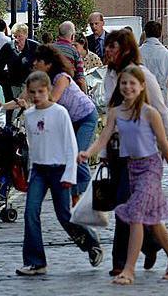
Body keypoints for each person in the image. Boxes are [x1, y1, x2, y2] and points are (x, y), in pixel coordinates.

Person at [80, 65, 168, 284]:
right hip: (132, 169)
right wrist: (88, 152)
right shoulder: (116, 112)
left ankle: (128, 269)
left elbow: (163, 143)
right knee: (154, 220)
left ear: (141, 87)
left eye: (132, 83)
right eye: (124, 83)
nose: (127, 87)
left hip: (151, 168)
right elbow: (104, 138)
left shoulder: (150, 112)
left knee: (136, 215)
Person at [100, 29, 168, 277]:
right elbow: (110, 115)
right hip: (118, 150)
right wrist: (102, 151)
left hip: (142, 155)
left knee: (127, 204)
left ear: (124, 50)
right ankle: (150, 244)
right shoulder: (110, 75)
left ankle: (122, 262)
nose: (107, 51)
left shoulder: (142, 75)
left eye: (112, 47)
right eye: (107, 47)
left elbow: (162, 111)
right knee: (126, 205)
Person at [14, 71, 102, 276]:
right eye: (33, 92)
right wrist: (29, 174)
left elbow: (71, 145)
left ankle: (91, 243)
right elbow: (33, 146)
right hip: (38, 170)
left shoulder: (60, 113)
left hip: (59, 169)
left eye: (41, 91)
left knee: (63, 215)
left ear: (48, 91)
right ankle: (36, 262)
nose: (37, 96)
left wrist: (70, 175)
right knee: (30, 213)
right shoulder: (28, 115)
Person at [5, 45, 98, 198]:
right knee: (69, 156)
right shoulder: (41, 81)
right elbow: (22, 98)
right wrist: (2, 107)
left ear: (48, 64)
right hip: (71, 119)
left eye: (38, 61)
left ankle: (86, 195)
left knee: (78, 156)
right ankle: (76, 195)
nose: (34, 63)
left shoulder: (61, 78)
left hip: (86, 117)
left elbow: (51, 100)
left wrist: (29, 106)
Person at [0, 23, 40, 100]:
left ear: (26, 35)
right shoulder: (8, 47)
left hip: (30, 85)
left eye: (20, 36)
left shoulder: (35, 47)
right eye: (15, 36)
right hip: (13, 84)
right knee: (14, 107)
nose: (17, 39)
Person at [139, 21, 168, 106]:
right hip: (161, 96)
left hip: (141, 97)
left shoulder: (136, 53)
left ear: (145, 32)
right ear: (160, 33)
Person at [53, 21, 87, 91]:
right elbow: (80, 80)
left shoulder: (49, 49)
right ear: (72, 36)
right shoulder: (75, 52)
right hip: (68, 91)